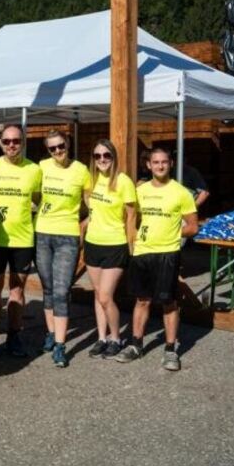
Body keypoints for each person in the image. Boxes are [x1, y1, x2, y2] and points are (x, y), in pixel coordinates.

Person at [115, 148, 198, 371]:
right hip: (142, 252)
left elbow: (192, 227)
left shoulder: (181, 192)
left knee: (168, 302)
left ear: (170, 164)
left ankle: (170, 350)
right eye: (156, 162)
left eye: (164, 162)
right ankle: (136, 345)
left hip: (167, 253)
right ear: (149, 165)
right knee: (142, 300)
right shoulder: (139, 191)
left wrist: (172, 233)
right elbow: (129, 217)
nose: (160, 166)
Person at [0, 124, 41, 357]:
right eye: (6, 141)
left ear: (23, 142)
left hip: (23, 240)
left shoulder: (34, 170)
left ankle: (14, 336)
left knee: (17, 289)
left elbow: (38, 199)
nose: (11, 145)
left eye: (16, 141)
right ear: (0, 143)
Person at [34, 130, 91, 368]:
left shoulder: (81, 170)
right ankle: (50, 333)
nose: (58, 151)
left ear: (67, 144)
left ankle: (60, 344)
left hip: (68, 236)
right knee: (48, 288)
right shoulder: (42, 167)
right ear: (47, 150)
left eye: (61, 146)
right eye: (52, 148)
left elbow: (90, 202)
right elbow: (34, 195)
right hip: (42, 233)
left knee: (61, 290)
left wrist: (85, 224)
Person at [84, 139, 137, 360]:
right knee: (98, 294)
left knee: (106, 296)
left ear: (114, 157)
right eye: (97, 156)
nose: (102, 159)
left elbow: (131, 217)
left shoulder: (123, 181)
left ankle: (116, 338)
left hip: (115, 244)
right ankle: (102, 338)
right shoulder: (91, 179)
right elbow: (90, 207)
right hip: (93, 243)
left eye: (106, 155)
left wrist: (131, 246)